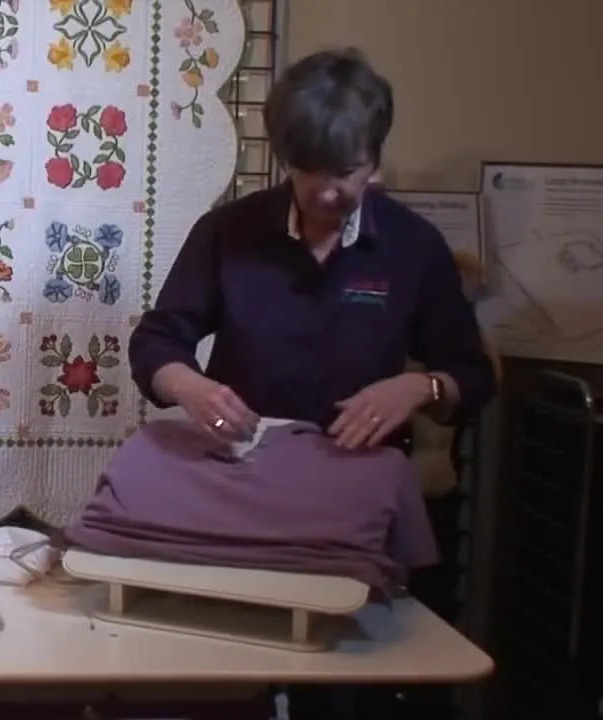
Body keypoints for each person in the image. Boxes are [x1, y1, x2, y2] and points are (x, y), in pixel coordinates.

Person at [128, 48, 496, 719]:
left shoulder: (412, 248)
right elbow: (156, 342)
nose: (329, 193)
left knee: (341, 686)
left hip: (350, 496)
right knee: (226, 675)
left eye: (346, 173)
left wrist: (418, 389)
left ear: (374, 159)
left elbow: (471, 373)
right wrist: (189, 387)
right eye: (311, 173)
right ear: (286, 160)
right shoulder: (229, 232)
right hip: (239, 484)